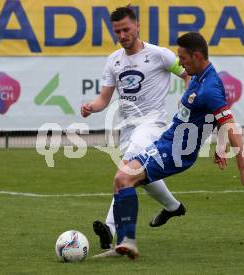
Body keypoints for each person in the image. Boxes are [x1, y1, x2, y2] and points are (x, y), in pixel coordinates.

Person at [110, 32, 244, 259]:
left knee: (123, 178)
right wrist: (220, 145)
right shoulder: (199, 76)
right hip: (167, 142)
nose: (180, 62)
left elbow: (230, 125)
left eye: (183, 58)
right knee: (121, 180)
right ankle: (127, 240)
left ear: (197, 56)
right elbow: (216, 119)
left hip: (175, 152)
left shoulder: (209, 89)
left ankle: (127, 241)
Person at [80, 5, 190, 257]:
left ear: (137, 25)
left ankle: (110, 230)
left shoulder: (159, 55)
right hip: (127, 129)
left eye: (126, 29)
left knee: (126, 172)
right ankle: (173, 207)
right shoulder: (114, 60)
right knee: (141, 176)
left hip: (152, 125)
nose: (122, 34)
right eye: (117, 31)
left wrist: (185, 97)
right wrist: (91, 107)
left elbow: (188, 74)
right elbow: (104, 99)